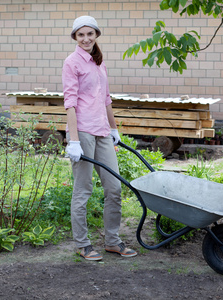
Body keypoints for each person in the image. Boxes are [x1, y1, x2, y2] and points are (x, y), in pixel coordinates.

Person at [62, 15, 137, 261]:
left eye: (90, 34)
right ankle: (82, 244)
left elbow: (106, 100)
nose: (85, 38)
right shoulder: (71, 63)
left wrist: (114, 129)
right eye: (80, 34)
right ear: (75, 37)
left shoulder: (99, 63)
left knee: (114, 188)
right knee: (83, 190)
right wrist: (73, 140)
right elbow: (70, 103)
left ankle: (112, 242)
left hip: (103, 131)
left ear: (96, 35)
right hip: (82, 131)